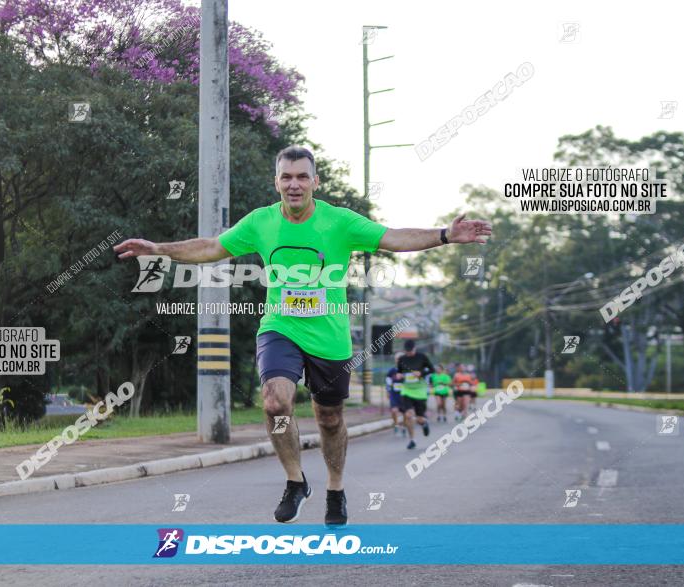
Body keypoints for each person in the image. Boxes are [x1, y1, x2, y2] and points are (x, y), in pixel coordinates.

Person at [113, 145, 492, 525]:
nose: (294, 185)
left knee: (329, 418)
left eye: (302, 176)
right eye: (287, 177)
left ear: (315, 181)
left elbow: (395, 238)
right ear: (276, 182)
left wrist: (445, 234)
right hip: (281, 328)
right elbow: (212, 246)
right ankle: (295, 481)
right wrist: (158, 249)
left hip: (330, 338)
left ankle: (335, 488)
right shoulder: (261, 222)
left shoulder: (339, 222)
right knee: (276, 403)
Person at [397, 339, 434, 450]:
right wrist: (400, 376)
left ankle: (424, 423)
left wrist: (421, 373)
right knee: (408, 415)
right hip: (407, 390)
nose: (409, 353)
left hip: (420, 391)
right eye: (407, 351)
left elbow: (432, 369)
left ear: (415, 348)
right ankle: (412, 440)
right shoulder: (402, 359)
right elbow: (399, 372)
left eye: (411, 351)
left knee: (419, 418)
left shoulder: (422, 357)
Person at [385, 354, 406, 436]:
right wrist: (388, 391)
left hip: (404, 394)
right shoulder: (391, 371)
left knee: (404, 413)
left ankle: (404, 426)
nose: (398, 360)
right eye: (397, 359)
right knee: (394, 411)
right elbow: (388, 382)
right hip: (394, 394)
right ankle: (396, 425)